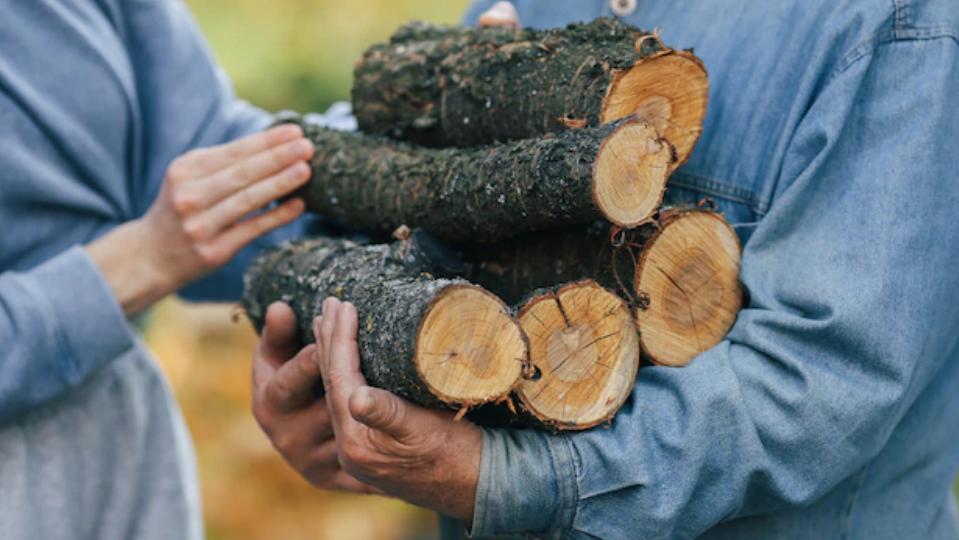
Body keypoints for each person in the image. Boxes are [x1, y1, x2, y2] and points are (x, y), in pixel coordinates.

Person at [252, 0, 959, 539]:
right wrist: (339, 394)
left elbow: (823, 384)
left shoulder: (898, 26)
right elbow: (426, 228)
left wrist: (505, 480)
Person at [0, 0, 355, 537]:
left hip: (115, 458)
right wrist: (137, 262)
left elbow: (196, 153)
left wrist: (410, 140)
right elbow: (163, 238)